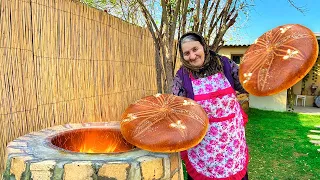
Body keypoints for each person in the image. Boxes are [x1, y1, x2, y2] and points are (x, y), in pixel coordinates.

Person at [172, 32, 249, 180]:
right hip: (202, 146)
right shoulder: (182, 76)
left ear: (204, 47)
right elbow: (177, 107)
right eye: (187, 53)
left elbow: (245, 85)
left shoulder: (225, 64)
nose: (192, 56)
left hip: (231, 141)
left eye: (195, 49)